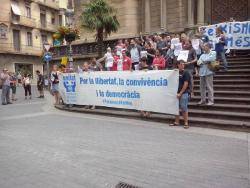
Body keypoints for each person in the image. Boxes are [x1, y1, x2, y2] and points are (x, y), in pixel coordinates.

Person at [170, 61, 191, 129]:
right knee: (176, 108)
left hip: (184, 93)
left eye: (183, 64)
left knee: (184, 108)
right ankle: (176, 122)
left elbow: (186, 84)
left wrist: (180, 93)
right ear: (178, 65)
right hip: (176, 92)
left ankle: (186, 123)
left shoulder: (186, 72)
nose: (183, 65)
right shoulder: (175, 72)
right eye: (181, 64)